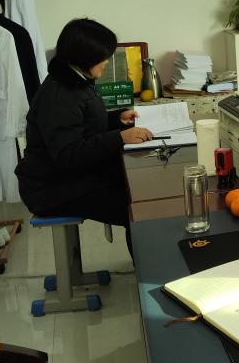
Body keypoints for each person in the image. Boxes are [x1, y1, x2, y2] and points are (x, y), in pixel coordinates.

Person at [15, 18, 154, 254]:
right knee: (138, 207)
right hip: (53, 189)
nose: (106, 62)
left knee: (141, 186)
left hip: (73, 177)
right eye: (102, 57)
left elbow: (82, 124)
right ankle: (149, 271)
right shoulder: (59, 95)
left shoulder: (75, 79)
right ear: (85, 58)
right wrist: (119, 138)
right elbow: (67, 153)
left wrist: (116, 119)